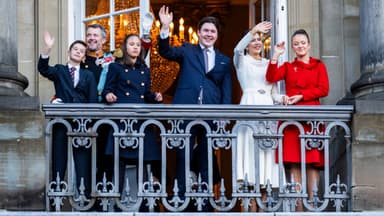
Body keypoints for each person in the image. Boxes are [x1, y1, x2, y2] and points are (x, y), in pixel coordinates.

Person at [158, 5, 232, 211]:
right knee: (183, 154)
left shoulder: (224, 60)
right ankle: (182, 197)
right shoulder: (188, 50)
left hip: (211, 112)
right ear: (199, 32)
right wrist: (165, 28)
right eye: (206, 30)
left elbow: (226, 91)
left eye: (212, 31)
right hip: (186, 110)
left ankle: (206, 200)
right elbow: (165, 51)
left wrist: (224, 116)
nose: (209, 34)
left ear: (217, 35)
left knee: (207, 156)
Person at [266, 29, 330, 211]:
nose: (300, 46)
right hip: (291, 120)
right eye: (296, 44)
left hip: (312, 120)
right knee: (294, 163)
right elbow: (270, 77)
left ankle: (313, 206)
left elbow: (324, 89)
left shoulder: (319, 66)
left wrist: (302, 95)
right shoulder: (286, 66)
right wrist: (276, 55)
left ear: (309, 45)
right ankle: (298, 209)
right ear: (293, 47)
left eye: (303, 43)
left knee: (312, 163)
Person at [102, 33, 163, 211]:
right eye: (132, 44)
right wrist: (108, 95)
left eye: (138, 45)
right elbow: (108, 88)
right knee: (119, 163)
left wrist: (156, 97)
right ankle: (117, 206)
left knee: (143, 164)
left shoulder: (145, 70)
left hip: (141, 121)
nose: (136, 47)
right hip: (122, 120)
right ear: (125, 48)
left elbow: (145, 95)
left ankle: (145, 206)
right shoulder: (115, 67)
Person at [234, 21, 288, 212]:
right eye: (253, 40)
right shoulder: (241, 60)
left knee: (266, 164)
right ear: (248, 43)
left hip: (267, 113)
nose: (256, 42)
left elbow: (273, 93)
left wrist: (284, 98)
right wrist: (253, 31)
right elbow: (236, 49)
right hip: (249, 109)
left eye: (259, 39)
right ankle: (250, 210)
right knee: (249, 162)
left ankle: (264, 210)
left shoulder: (268, 64)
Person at [38, 31, 97, 199]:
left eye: (82, 51)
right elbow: (43, 69)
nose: (78, 52)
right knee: (59, 157)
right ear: (68, 52)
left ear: (84, 57)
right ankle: (57, 196)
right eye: (75, 49)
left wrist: (92, 122)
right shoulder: (60, 70)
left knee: (82, 160)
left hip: (82, 122)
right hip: (61, 120)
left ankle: (84, 197)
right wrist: (47, 49)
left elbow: (92, 100)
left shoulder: (88, 75)